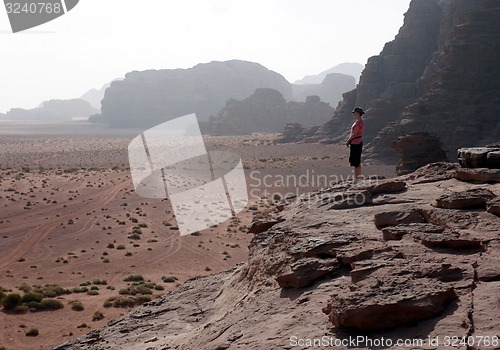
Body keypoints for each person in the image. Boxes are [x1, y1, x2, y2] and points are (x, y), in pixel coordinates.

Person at [345, 107, 365, 182]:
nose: (353, 114)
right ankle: (358, 177)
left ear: (357, 113)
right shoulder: (360, 121)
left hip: (356, 142)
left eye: (354, 113)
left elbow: (354, 134)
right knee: (357, 161)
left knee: (356, 161)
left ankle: (357, 179)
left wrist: (348, 141)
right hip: (358, 141)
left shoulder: (358, 123)